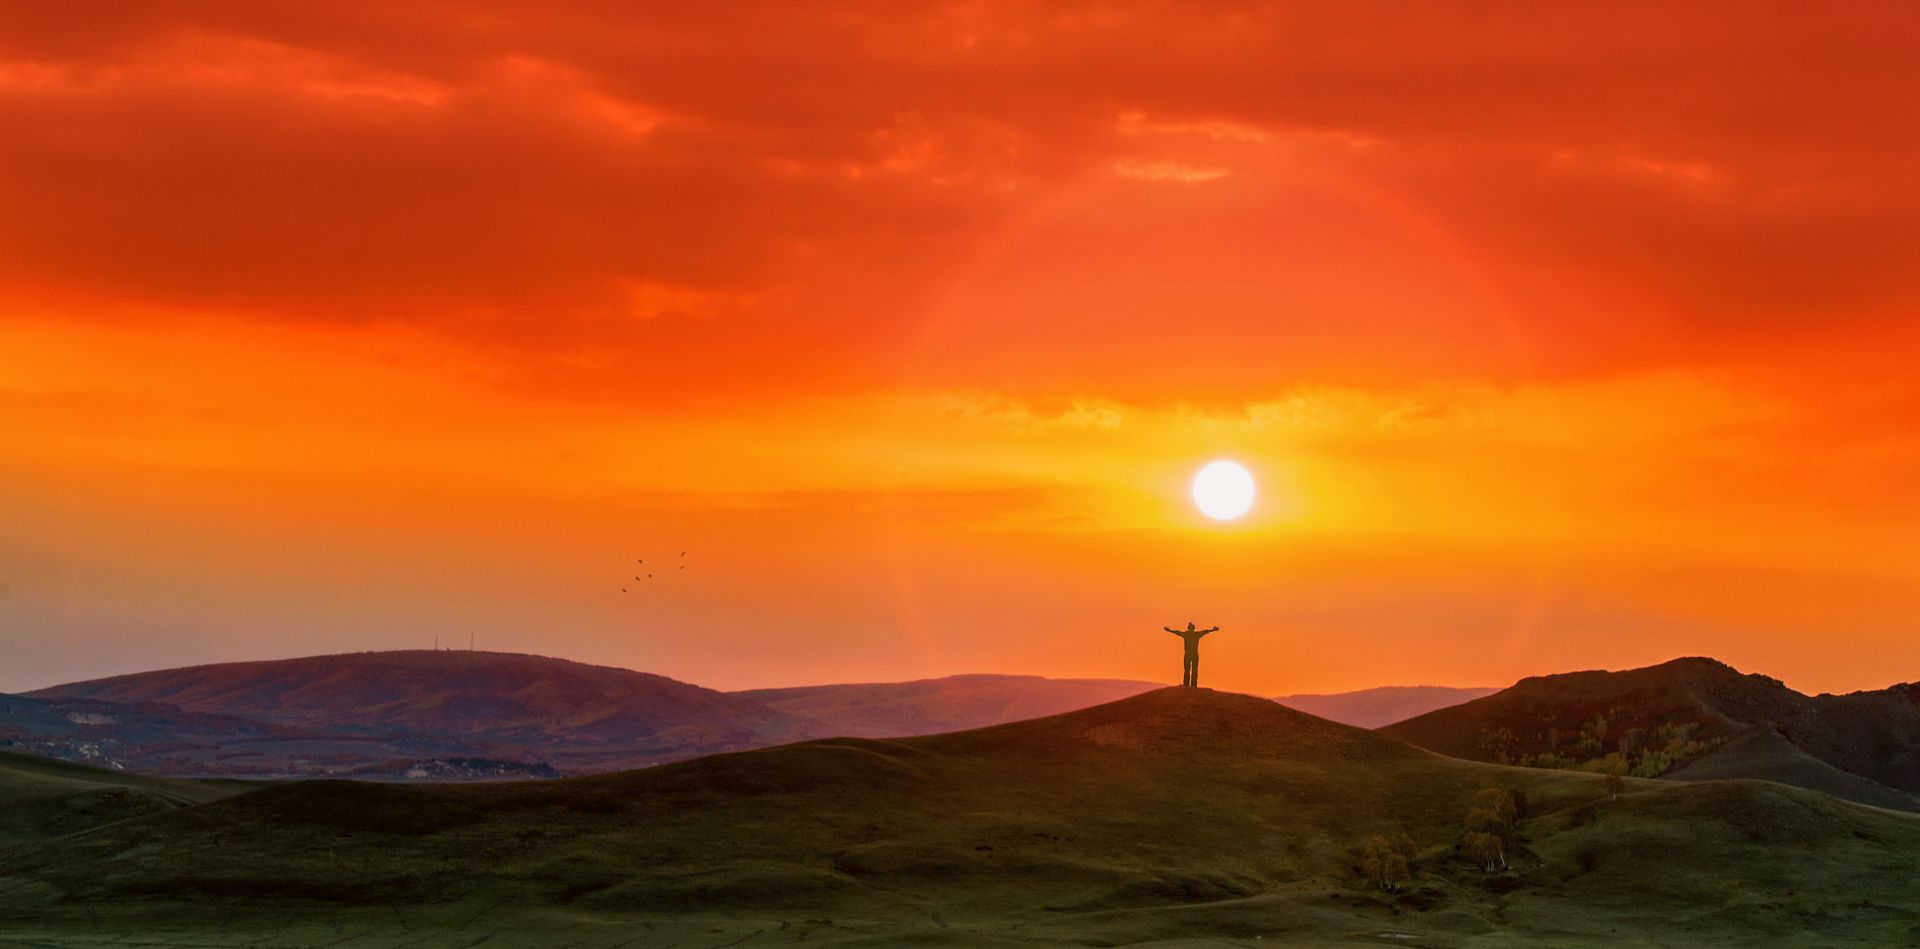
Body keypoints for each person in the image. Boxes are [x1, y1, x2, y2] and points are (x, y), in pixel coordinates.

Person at [1162, 622, 1219, 687]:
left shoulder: (1189, 634)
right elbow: (1205, 632)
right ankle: (1190, 685)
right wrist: (1213, 630)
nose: (1191, 628)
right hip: (1191, 655)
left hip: (1190, 655)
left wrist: (1169, 630)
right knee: (1190, 670)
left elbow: (1177, 632)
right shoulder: (1194, 634)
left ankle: (1189, 685)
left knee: (1189, 670)